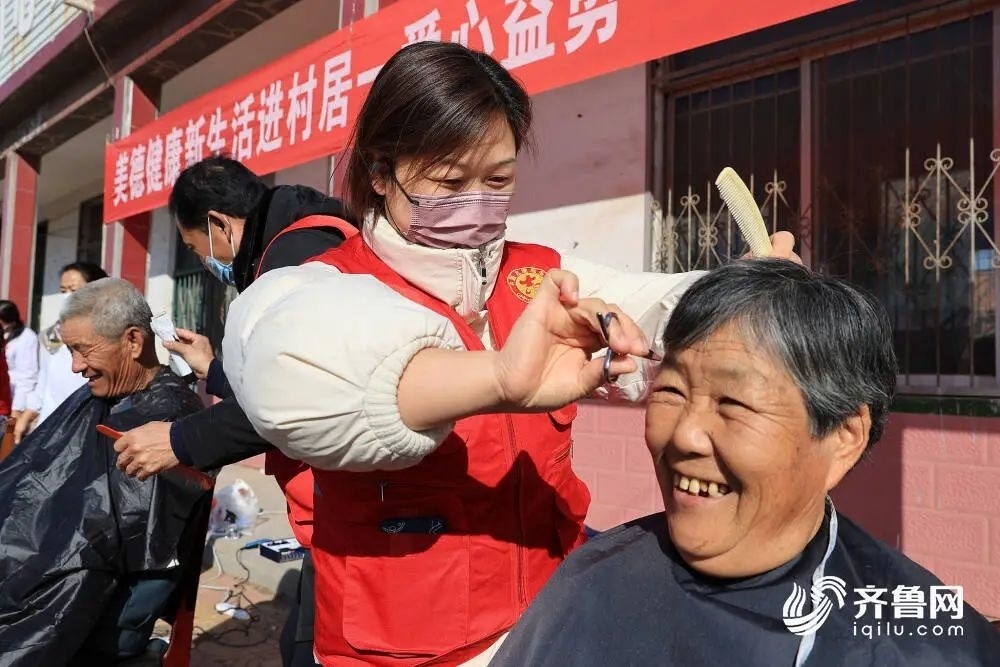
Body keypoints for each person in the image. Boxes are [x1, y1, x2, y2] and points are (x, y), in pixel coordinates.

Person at [220, 41, 800, 666]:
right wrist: (497, 377)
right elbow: (297, 366)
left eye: (498, 180)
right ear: (381, 173)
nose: (476, 200)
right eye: (450, 182)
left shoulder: (539, 275)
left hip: (551, 617)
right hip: (403, 651)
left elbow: (653, 304)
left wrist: (745, 289)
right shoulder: (322, 286)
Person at [488, 259, 1000, 666]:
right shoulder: (592, 582)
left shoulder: (925, 643)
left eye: (734, 404)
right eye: (671, 392)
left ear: (843, 438)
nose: (685, 435)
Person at [112, 154, 357, 667]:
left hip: (352, 510)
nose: (203, 261)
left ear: (219, 224)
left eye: (194, 248)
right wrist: (214, 369)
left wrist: (178, 440)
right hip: (333, 510)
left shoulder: (298, 259)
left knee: (313, 649)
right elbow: (282, 382)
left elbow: (292, 398)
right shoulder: (298, 246)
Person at [0, 278, 212, 665]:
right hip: (46, 568)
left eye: (82, 350)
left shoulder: (169, 422)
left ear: (133, 341)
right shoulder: (99, 395)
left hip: (99, 608)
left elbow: (99, 545)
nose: (76, 366)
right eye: (70, 351)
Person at [14, 261, 108, 442]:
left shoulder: (108, 334)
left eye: (74, 289)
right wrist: (27, 415)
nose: (67, 296)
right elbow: (45, 379)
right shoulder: (55, 333)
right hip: (48, 429)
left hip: (83, 431)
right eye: (63, 290)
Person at [0, 301, 40, 424]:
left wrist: (17, 408)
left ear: (10, 320)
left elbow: (27, 375)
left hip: (14, 399)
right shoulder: (4, 334)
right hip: (5, 394)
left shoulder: (27, 338)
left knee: (10, 433)